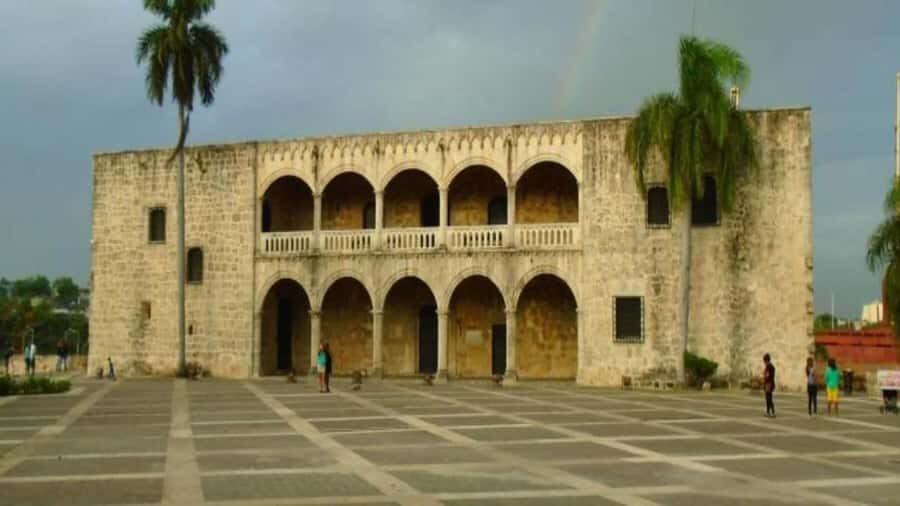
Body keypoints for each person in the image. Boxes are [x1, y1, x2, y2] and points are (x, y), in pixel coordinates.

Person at [763, 353, 776, 418]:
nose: (764, 363)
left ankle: (773, 412)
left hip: (769, 384)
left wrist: (765, 376)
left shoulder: (770, 366)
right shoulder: (769, 366)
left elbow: (769, 376)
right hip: (768, 384)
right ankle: (768, 412)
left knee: (769, 399)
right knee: (767, 398)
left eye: (764, 361)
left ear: (766, 360)